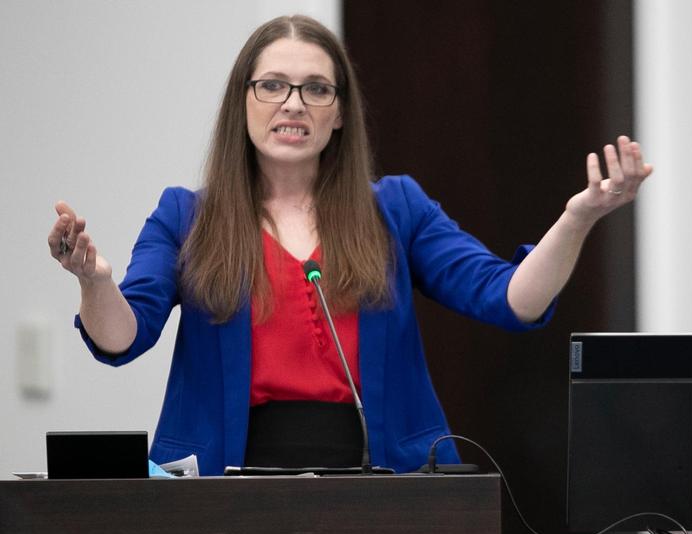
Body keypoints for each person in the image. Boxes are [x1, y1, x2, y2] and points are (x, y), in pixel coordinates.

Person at [47, 15, 651, 476]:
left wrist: (577, 219)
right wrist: (94, 280)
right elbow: (122, 338)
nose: (293, 103)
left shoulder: (395, 208)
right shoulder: (186, 215)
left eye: (316, 89)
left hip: (380, 480)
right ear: (243, 102)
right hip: (227, 484)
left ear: (339, 114)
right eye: (273, 86)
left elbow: (510, 300)